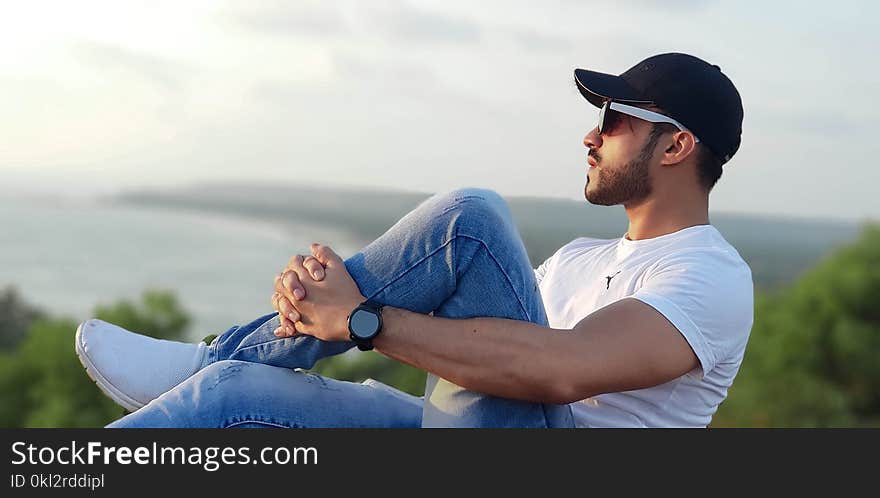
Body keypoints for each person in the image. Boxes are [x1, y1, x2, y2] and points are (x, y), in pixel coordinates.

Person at [76, 52, 753, 428]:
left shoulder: (711, 276)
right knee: (233, 394)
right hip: (458, 430)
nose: (590, 135)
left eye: (614, 120)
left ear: (679, 146)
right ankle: (216, 365)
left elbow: (558, 370)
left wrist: (358, 319)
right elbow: (475, 353)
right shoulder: (578, 258)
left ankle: (216, 354)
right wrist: (326, 301)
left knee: (473, 220)